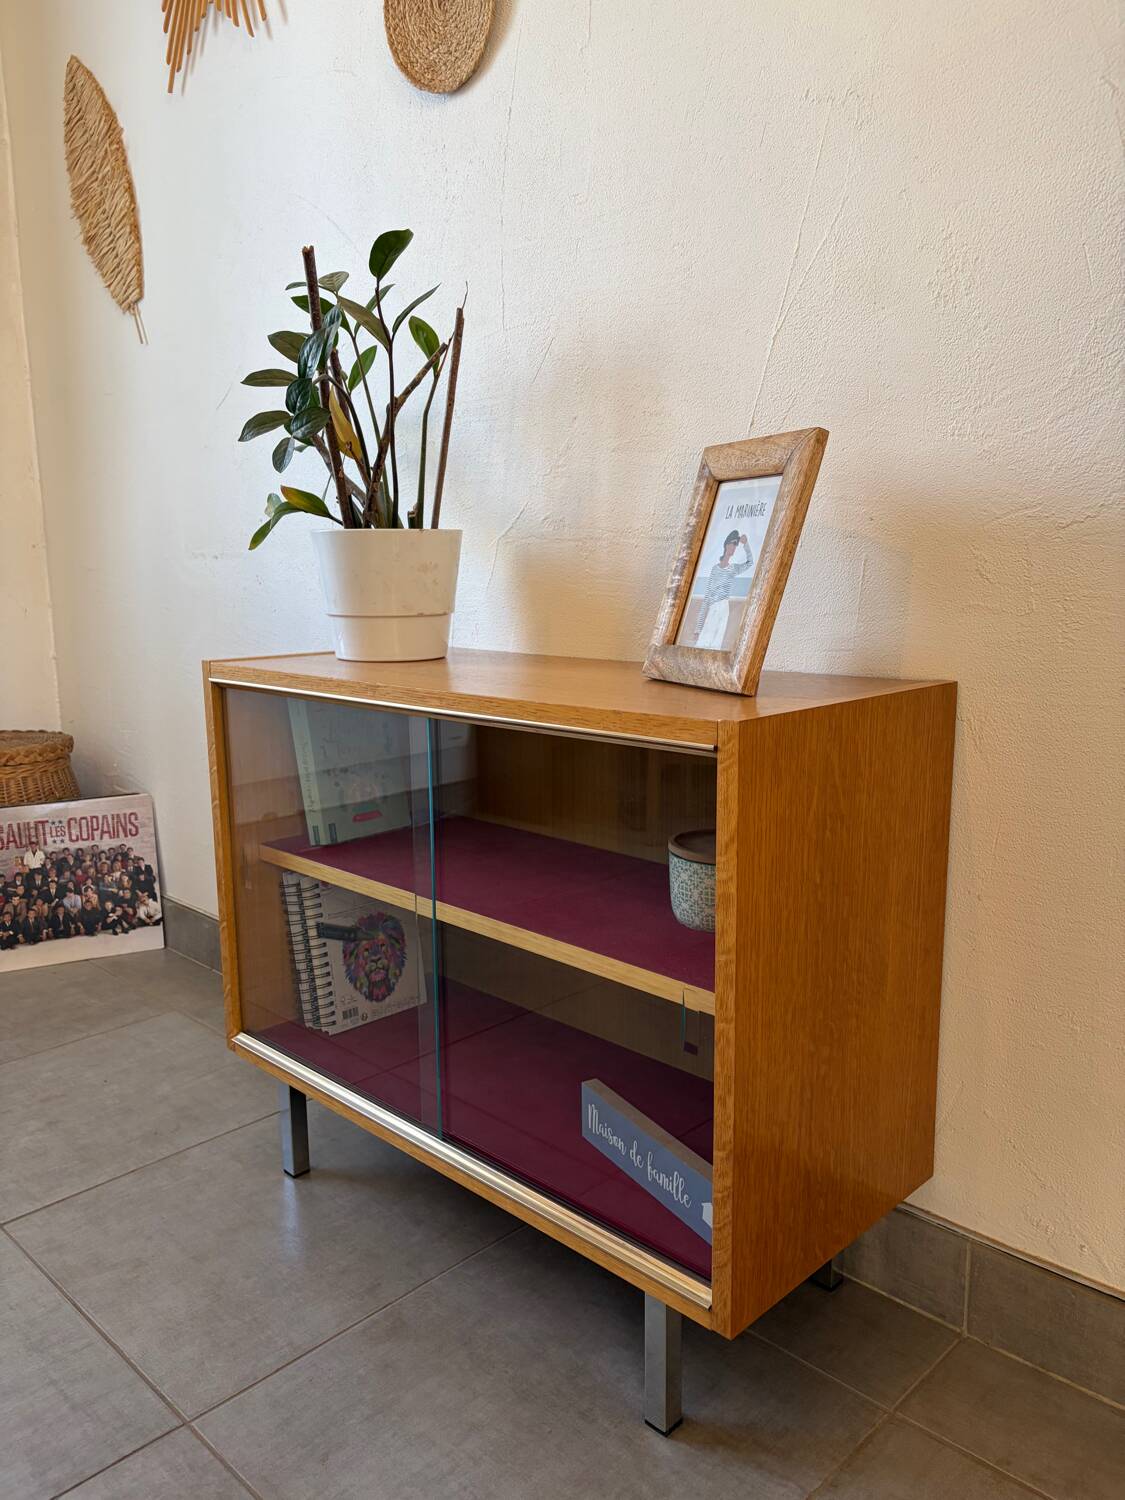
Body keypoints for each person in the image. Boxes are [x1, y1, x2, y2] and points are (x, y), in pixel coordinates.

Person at [692, 531, 754, 649]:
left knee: (716, 644)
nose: (733, 548)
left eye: (735, 546)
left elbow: (750, 562)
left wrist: (745, 544)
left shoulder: (733, 568)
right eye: (732, 545)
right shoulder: (715, 569)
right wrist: (698, 629)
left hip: (724, 607)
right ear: (726, 545)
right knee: (703, 643)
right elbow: (706, 598)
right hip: (713, 607)